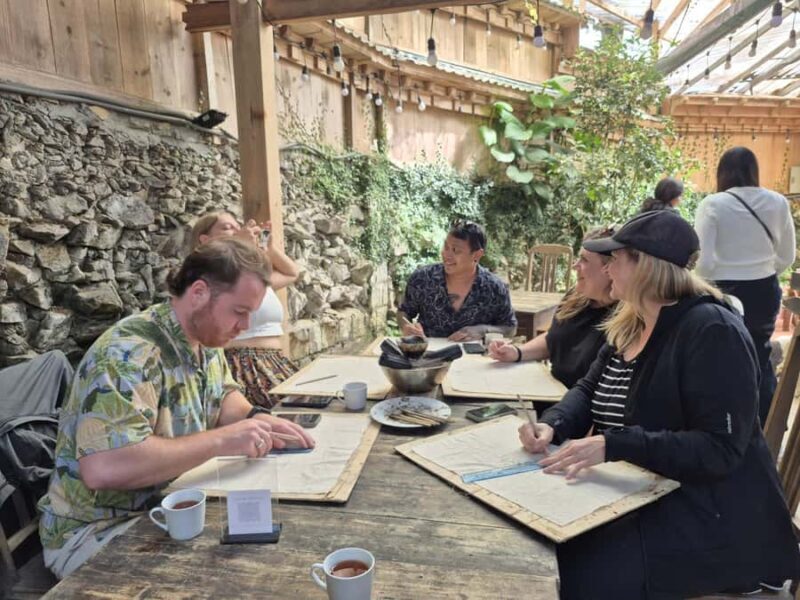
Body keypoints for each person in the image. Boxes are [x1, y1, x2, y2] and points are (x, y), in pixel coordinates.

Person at [519, 210, 800, 599]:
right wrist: (553, 424)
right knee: (536, 541)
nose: (609, 268)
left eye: (615, 258)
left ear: (645, 266)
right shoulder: (631, 321)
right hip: (643, 493)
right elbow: (587, 390)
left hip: (710, 519)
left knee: (568, 573)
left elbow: (720, 450)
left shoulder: (711, 331)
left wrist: (613, 445)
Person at [37, 238, 315, 579]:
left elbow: (223, 396)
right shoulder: (128, 354)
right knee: (237, 576)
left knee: (279, 552)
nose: (244, 327)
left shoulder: (205, 337)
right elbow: (105, 468)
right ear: (199, 293)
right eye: (239, 312)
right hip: (95, 532)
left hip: (167, 506)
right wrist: (223, 440)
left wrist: (257, 419)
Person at [695, 147, 796, 424]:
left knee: (720, 358)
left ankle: (723, 423)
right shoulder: (777, 202)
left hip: (722, 292)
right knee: (758, 355)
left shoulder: (712, 204)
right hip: (764, 291)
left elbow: (703, 263)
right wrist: (760, 271)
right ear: (755, 171)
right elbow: (787, 256)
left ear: (722, 173)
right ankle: (765, 425)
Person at [191, 211, 300, 409]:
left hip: (274, 363)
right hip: (241, 367)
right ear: (205, 240)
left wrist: (269, 248)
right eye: (227, 228)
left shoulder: (250, 279)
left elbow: (291, 273)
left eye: (237, 226)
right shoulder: (202, 274)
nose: (237, 230)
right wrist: (236, 246)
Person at [487, 227, 617, 388]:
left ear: (610, 269)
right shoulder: (575, 297)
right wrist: (517, 352)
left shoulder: (625, 318)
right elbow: (554, 339)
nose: (575, 266)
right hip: (551, 391)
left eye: (585, 260)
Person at [398, 220, 516, 341]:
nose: (446, 254)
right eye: (446, 247)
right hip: (429, 355)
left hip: (475, 358)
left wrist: (483, 330)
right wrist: (407, 326)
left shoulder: (494, 287)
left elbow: (510, 328)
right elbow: (403, 312)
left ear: (477, 255)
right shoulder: (422, 278)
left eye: (455, 250)